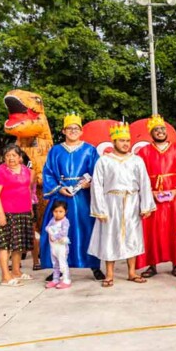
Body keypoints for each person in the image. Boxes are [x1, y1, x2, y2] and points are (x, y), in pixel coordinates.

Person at [88, 123, 155, 287]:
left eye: (128, 141)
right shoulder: (104, 160)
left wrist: (145, 205)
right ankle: (109, 274)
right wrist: (100, 208)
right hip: (111, 203)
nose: (126, 144)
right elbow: (96, 185)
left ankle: (131, 272)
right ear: (114, 142)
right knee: (110, 236)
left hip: (132, 201)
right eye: (122, 141)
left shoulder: (137, 160)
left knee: (132, 236)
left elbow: (144, 183)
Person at [40, 113, 103, 281]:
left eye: (76, 128)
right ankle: (58, 267)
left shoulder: (90, 150)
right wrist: (59, 188)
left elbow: (98, 172)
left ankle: (94, 265)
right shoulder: (55, 151)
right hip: (61, 198)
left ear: (81, 131)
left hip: (83, 198)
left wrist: (89, 184)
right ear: (64, 131)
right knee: (58, 231)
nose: (73, 131)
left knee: (87, 230)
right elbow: (48, 173)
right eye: (70, 128)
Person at [137, 116, 176, 278]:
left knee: (175, 229)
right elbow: (140, 175)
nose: (160, 132)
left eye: (162, 129)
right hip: (152, 195)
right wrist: (150, 192)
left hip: (174, 196)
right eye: (156, 130)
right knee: (151, 230)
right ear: (151, 133)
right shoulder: (144, 152)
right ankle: (151, 265)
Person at [0, 144, 35, 287]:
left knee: (19, 245)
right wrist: (0, 215)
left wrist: (30, 208)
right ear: (4, 158)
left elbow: (27, 189)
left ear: (20, 157)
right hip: (7, 213)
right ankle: (5, 277)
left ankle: (16, 271)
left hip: (23, 212)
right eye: (8, 155)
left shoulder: (26, 171)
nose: (11, 158)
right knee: (5, 245)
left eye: (14, 155)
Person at [44, 200, 71, 289]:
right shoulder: (53, 220)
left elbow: (63, 232)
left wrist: (54, 236)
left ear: (65, 212)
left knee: (62, 263)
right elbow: (47, 227)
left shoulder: (65, 221)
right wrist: (49, 230)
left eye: (60, 211)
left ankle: (66, 280)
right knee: (55, 263)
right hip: (53, 247)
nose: (58, 214)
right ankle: (56, 279)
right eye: (55, 211)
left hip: (61, 247)